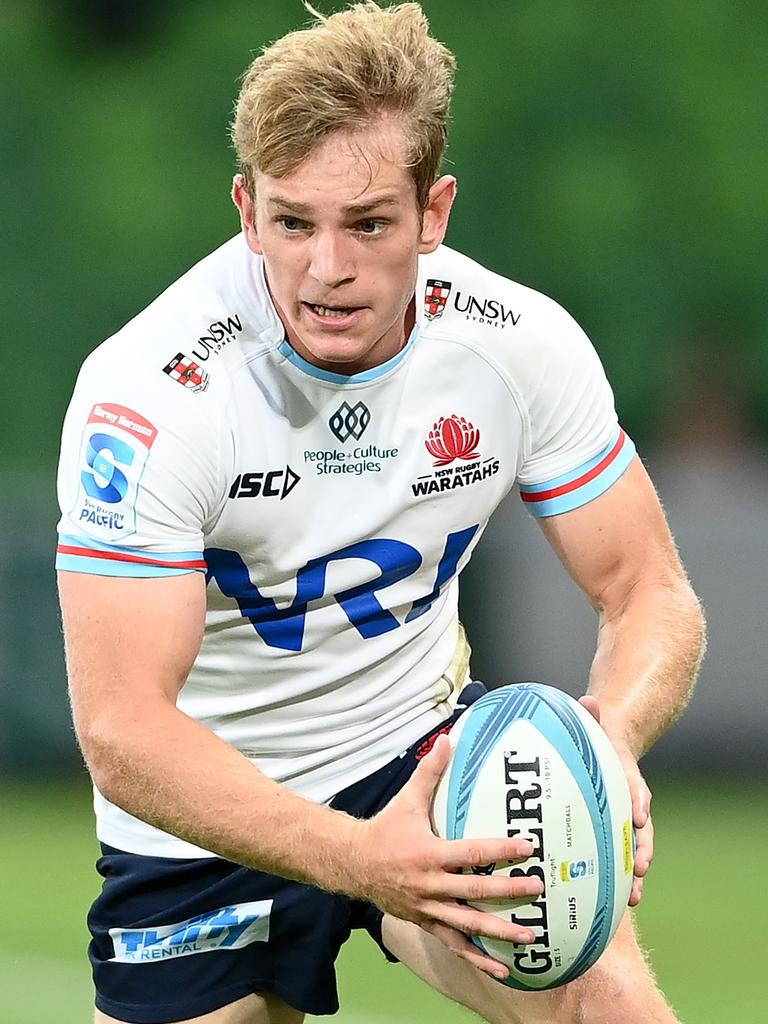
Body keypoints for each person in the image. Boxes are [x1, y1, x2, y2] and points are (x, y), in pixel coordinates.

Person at [55, 3, 705, 1023]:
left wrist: (607, 742)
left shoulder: (517, 345)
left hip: (424, 756)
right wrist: (360, 857)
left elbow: (648, 588)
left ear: (434, 211)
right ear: (245, 207)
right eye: (291, 221)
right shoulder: (151, 392)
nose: (327, 268)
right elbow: (124, 728)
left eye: (367, 223)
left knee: (608, 1003)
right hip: (210, 820)